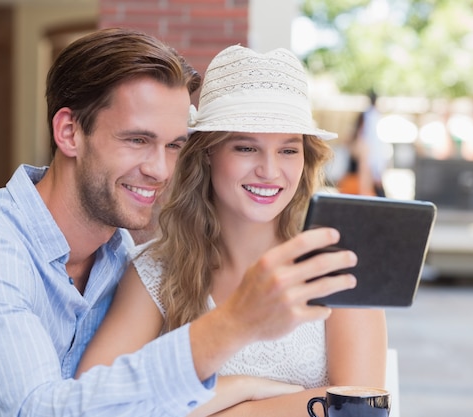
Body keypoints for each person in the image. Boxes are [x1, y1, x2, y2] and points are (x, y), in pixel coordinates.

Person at [0, 29, 360, 416]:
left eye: (173, 145)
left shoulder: (120, 258)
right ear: (69, 132)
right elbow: (42, 411)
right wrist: (233, 343)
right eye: (137, 140)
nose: (160, 169)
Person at [77, 45, 388, 416]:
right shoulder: (157, 271)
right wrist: (240, 388)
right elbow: (89, 404)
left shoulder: (338, 266)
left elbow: (359, 411)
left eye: (288, 150)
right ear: (208, 153)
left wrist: (222, 410)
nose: (270, 172)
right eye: (246, 148)